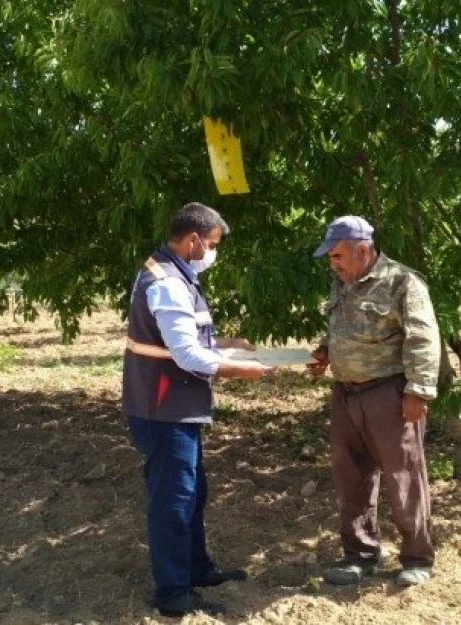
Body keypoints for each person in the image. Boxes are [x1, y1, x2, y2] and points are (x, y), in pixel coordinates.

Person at [122, 202, 273, 618]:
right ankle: (173, 592)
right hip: (163, 410)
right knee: (173, 499)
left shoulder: (172, 273)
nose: (211, 253)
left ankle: (196, 568)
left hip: (175, 409)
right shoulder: (168, 282)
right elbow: (187, 355)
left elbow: (184, 337)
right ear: (192, 240)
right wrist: (242, 371)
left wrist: (228, 344)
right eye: (210, 245)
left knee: (192, 493)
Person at [307, 215, 442, 588]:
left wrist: (418, 391)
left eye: (337, 256)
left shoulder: (402, 282)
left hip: (390, 397)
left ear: (362, 250)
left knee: (404, 478)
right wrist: (325, 351)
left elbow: (423, 339)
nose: (333, 264)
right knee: (351, 479)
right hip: (346, 395)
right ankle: (360, 556)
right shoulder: (343, 283)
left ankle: (416, 557)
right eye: (331, 258)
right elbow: (342, 329)